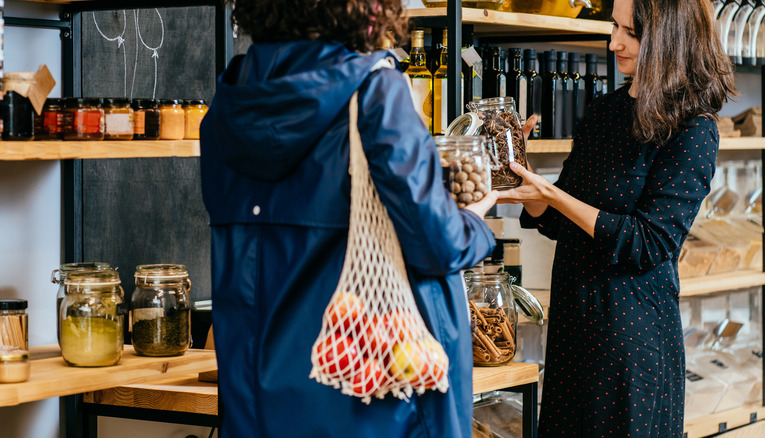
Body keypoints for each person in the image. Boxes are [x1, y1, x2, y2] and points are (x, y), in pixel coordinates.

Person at [199, 1, 499, 436]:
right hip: (366, 395)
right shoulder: (375, 92)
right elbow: (437, 243)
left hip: (256, 401)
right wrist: (473, 223)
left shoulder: (228, 105)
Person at [497, 0, 736, 436]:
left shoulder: (694, 129)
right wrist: (523, 176)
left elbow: (649, 243)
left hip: (630, 345)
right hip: (573, 331)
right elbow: (560, 219)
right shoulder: (604, 111)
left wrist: (553, 194)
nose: (614, 42)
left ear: (667, 39)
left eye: (630, 32)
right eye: (614, 26)